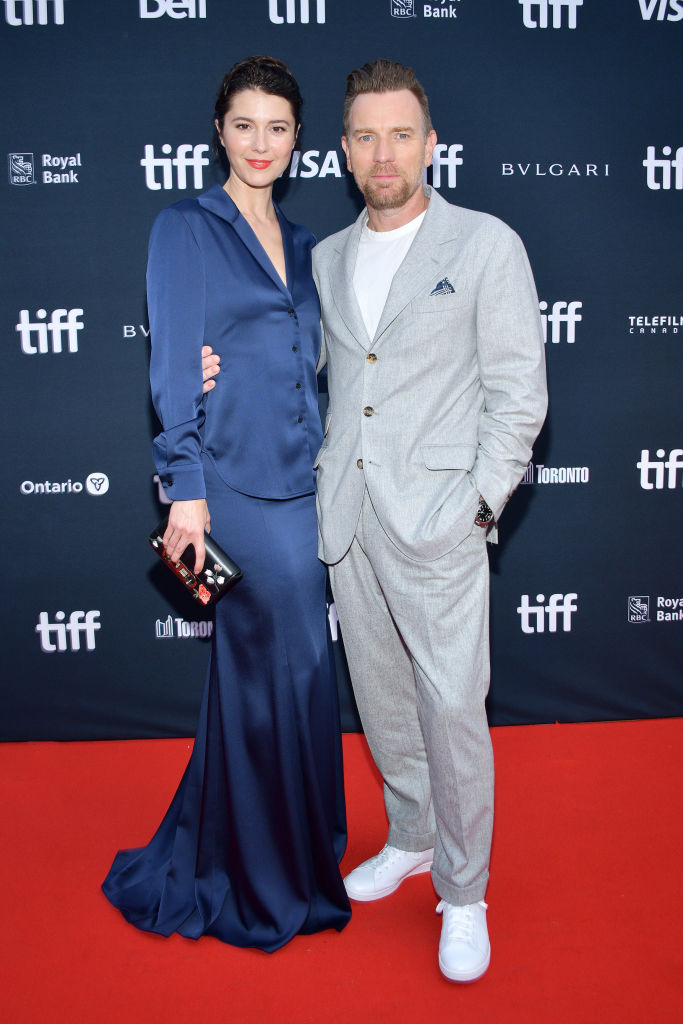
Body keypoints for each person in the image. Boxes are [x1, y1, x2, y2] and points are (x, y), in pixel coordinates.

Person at [203, 58, 547, 980]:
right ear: (345, 152)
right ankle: (411, 837)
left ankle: (464, 892)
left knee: (450, 709)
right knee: (386, 701)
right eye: (364, 136)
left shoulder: (483, 244)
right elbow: (296, 371)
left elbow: (519, 397)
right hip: (346, 514)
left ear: (430, 145)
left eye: (401, 134)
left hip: (438, 520)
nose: (382, 152)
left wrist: (477, 504)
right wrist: (213, 372)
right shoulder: (327, 255)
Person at [102, 56, 351, 952]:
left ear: (296, 141)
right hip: (231, 488)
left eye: (277, 128)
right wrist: (187, 491)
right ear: (219, 131)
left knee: (290, 681)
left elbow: (313, 363)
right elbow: (173, 363)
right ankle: (257, 878)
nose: (259, 143)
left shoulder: (307, 242)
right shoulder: (185, 227)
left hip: (303, 482)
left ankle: (283, 848)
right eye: (243, 124)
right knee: (275, 678)